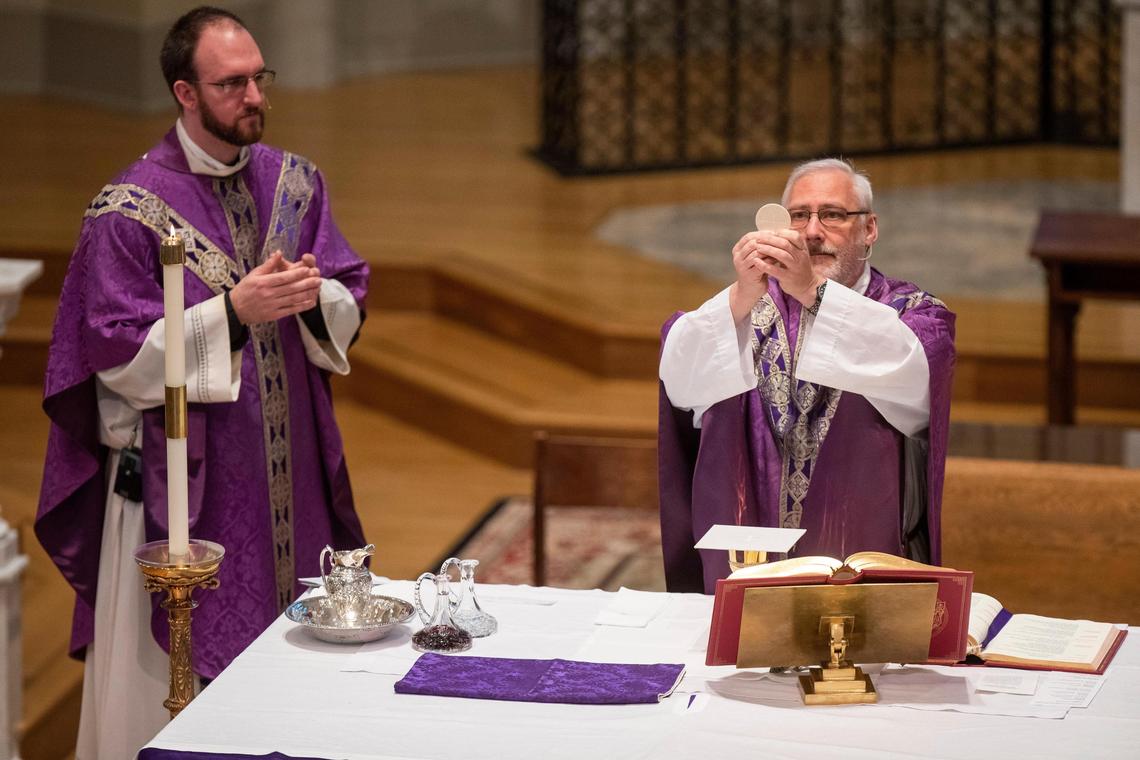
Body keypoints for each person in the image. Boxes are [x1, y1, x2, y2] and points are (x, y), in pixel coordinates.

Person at [35, 7, 369, 757]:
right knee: (171, 701)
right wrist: (234, 313)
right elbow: (113, 359)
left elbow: (348, 289)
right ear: (185, 94)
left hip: (291, 483)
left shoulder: (295, 185)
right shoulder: (127, 214)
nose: (254, 96)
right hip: (184, 493)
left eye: (259, 78)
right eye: (231, 84)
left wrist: (319, 299)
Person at [658, 158, 955, 593]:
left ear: (869, 229)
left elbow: (917, 388)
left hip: (859, 565)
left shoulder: (910, 314)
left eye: (833, 215)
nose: (813, 232)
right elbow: (681, 386)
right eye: (799, 216)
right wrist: (740, 295)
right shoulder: (740, 309)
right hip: (751, 568)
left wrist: (812, 292)